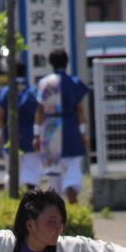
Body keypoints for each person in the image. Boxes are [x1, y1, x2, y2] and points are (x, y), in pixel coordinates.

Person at [34, 49, 90, 204]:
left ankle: (56, 203)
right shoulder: (74, 82)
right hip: (70, 125)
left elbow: (39, 111)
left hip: (51, 127)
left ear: (51, 63)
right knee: (72, 165)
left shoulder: (44, 83)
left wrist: (37, 134)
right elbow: (79, 110)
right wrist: (83, 133)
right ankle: (71, 189)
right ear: (67, 62)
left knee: (54, 172)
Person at [0, 64, 43, 191]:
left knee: (12, 173)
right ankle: (33, 201)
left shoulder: (4, 92)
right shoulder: (33, 91)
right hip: (31, 137)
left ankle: (13, 198)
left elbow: (0, 117)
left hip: (11, 136)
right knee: (32, 173)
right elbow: (40, 115)